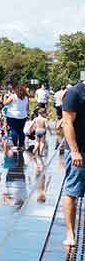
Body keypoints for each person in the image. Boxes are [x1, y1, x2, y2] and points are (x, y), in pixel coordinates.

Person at [62, 78, 84, 248]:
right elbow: (67, 122)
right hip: (79, 150)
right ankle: (70, 233)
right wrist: (75, 150)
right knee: (73, 190)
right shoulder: (75, 93)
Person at [4, 84, 30, 154]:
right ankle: (21, 145)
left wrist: (5, 97)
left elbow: (5, 103)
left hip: (12, 116)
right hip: (22, 116)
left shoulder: (13, 96)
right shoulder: (26, 98)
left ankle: (15, 145)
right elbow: (27, 108)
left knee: (13, 130)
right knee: (21, 131)